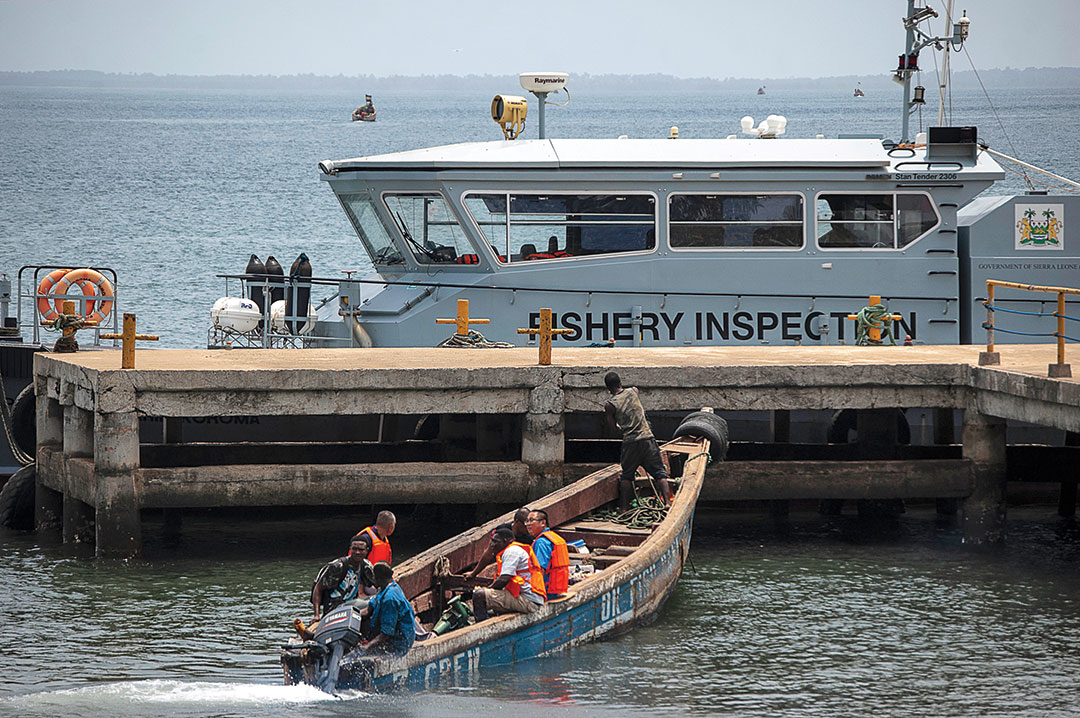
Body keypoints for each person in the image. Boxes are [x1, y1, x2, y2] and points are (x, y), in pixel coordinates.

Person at [604, 371, 673, 511]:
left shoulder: (610, 405)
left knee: (627, 476)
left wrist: (619, 426)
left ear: (608, 388)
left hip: (630, 443)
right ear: (620, 383)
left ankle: (624, 509)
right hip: (647, 438)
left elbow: (613, 430)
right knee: (660, 473)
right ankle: (667, 503)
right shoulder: (634, 391)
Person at [296, 533, 378, 638]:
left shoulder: (366, 566)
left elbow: (377, 584)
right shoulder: (337, 566)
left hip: (351, 606)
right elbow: (318, 588)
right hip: (335, 608)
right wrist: (316, 615)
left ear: (367, 550)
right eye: (354, 549)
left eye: (361, 550)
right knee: (371, 602)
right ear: (350, 549)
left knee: (376, 601)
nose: (357, 552)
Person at [472, 527, 546, 621]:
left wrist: (487, 590)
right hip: (528, 597)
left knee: (479, 595)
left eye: (495, 542)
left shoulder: (512, 551)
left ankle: (480, 629)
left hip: (529, 601)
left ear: (505, 541)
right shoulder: (512, 549)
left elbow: (504, 579)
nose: (493, 545)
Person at [359, 561, 416, 656]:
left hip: (398, 643)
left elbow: (386, 634)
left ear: (379, 578)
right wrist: (353, 615)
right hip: (389, 636)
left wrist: (367, 646)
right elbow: (368, 610)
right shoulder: (384, 588)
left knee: (356, 656)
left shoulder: (390, 599)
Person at [465, 507, 530, 580]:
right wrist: (473, 573)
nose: (528, 528)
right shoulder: (502, 530)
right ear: (517, 522)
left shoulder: (529, 537)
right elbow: (489, 553)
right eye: (526, 525)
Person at [525, 509, 570, 599]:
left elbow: (539, 569)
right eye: (527, 521)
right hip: (557, 588)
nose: (528, 524)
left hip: (546, 589)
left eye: (531, 520)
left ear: (542, 523)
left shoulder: (541, 542)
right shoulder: (554, 537)